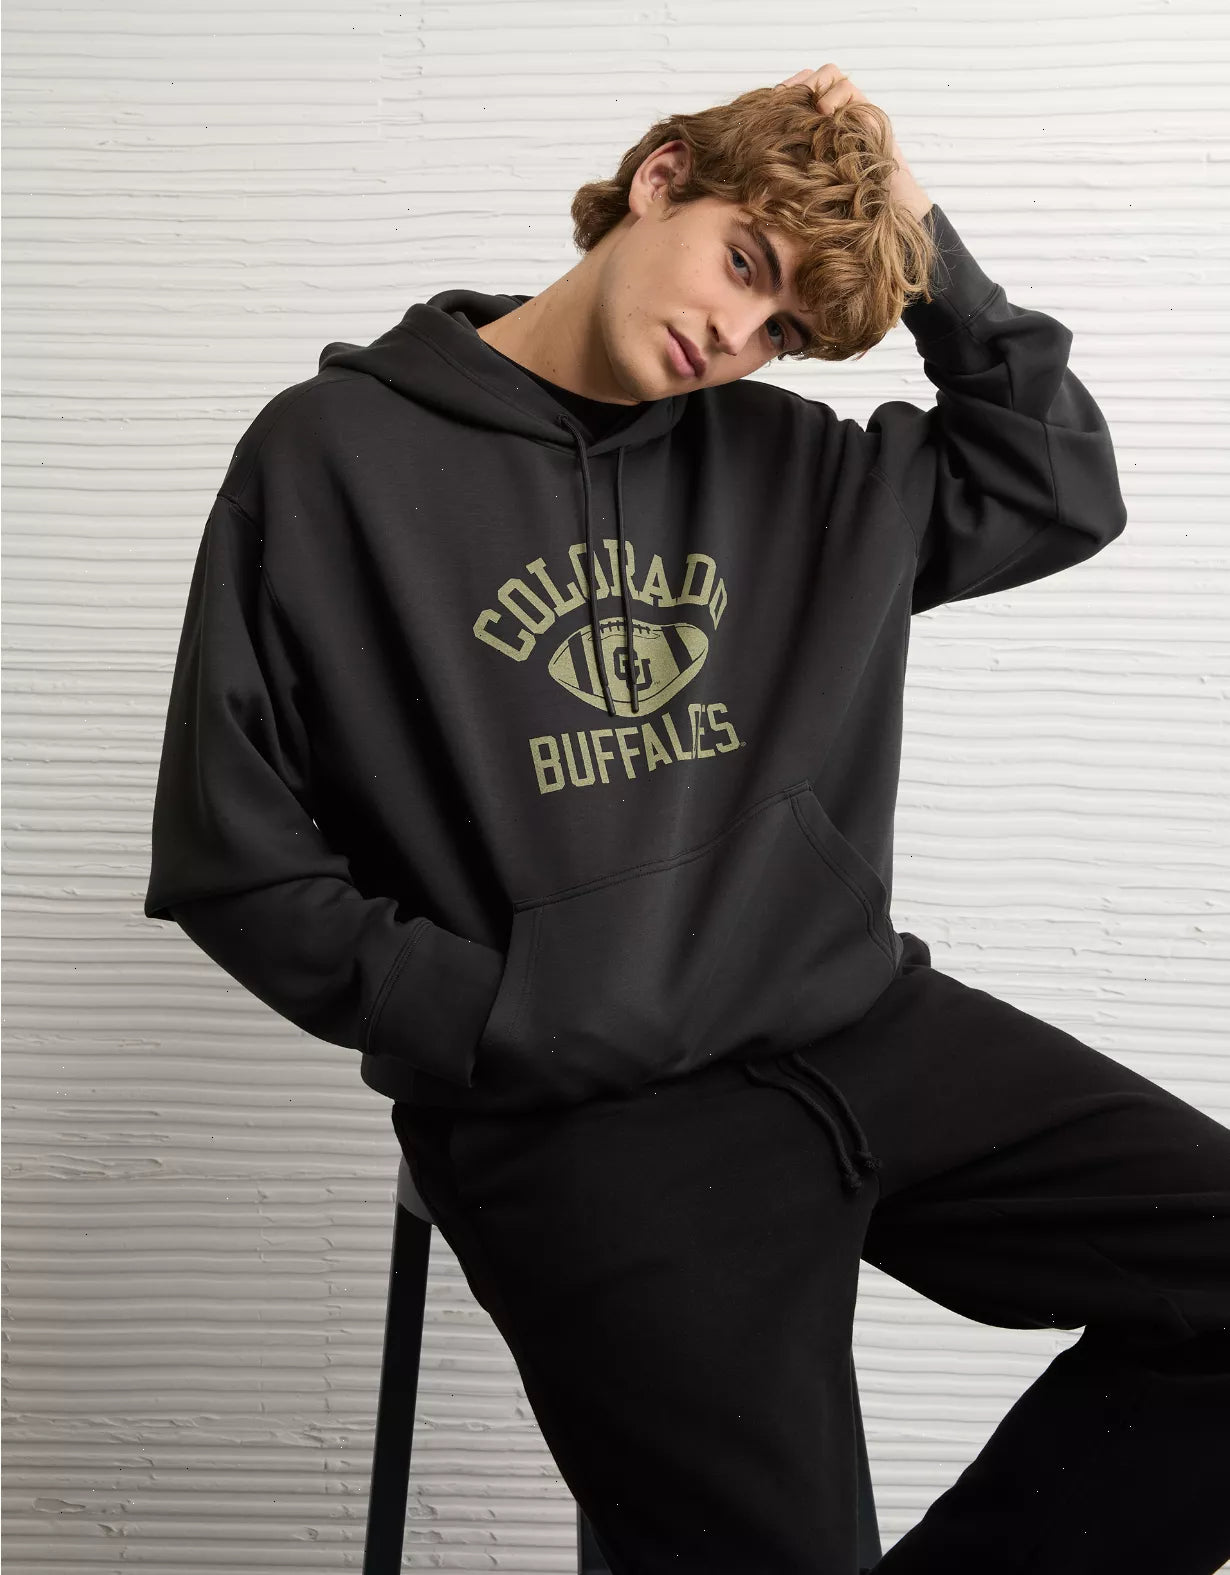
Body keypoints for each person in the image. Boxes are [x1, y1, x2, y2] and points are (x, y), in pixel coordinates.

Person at [143, 63, 1230, 1575]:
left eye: (782, 330)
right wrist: (511, 1018)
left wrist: (913, 230)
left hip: (850, 1021)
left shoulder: (806, 470)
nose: (737, 334)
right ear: (658, 179)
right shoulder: (331, 457)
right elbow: (233, 859)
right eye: (743, 262)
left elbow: (1058, 480)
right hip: (582, 1112)